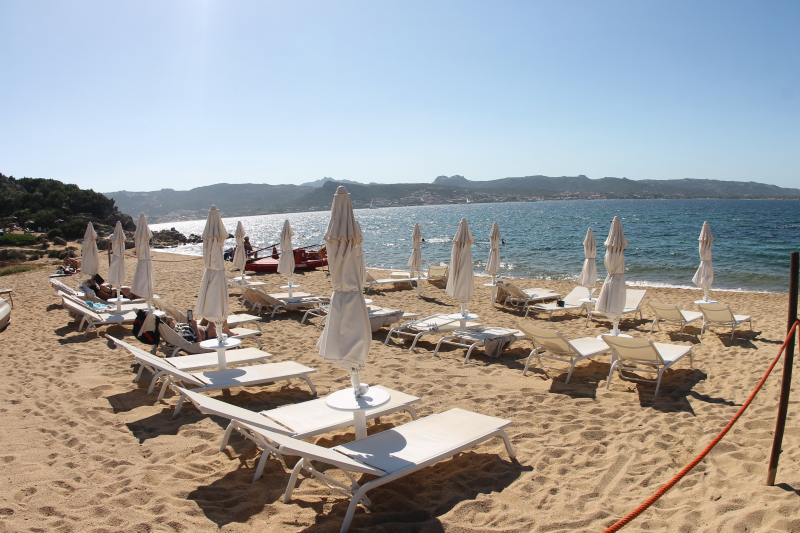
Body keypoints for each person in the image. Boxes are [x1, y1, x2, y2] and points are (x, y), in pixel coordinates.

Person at [165, 317, 232, 343]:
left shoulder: (175, 328)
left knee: (209, 313)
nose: (172, 319)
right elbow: (198, 340)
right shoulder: (179, 334)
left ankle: (227, 331)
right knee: (219, 315)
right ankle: (228, 332)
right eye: (170, 320)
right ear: (168, 325)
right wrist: (194, 325)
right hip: (207, 333)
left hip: (201, 327)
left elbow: (190, 330)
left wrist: (190, 323)